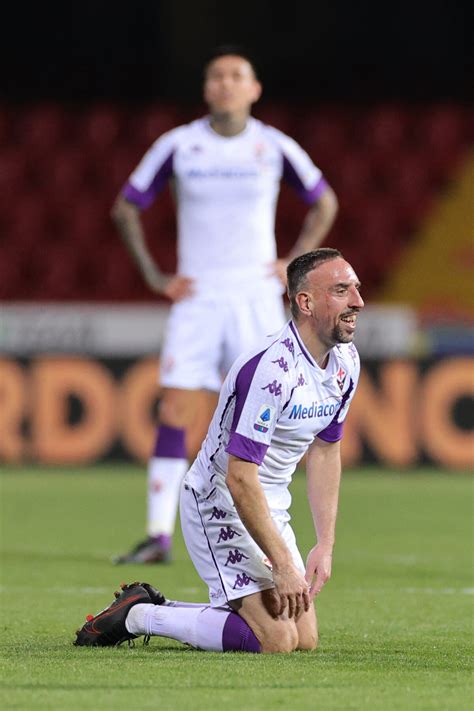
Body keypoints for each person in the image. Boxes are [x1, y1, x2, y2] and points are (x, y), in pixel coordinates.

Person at [111, 45, 339, 564]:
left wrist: (295, 260)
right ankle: (158, 534)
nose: (226, 83)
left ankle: (266, 521)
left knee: (267, 410)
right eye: (217, 75)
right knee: (175, 407)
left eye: (237, 75)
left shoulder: (274, 146)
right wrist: (153, 275)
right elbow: (125, 208)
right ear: (206, 88)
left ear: (254, 89)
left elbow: (325, 200)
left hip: (256, 296)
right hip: (198, 297)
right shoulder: (179, 144)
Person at [74, 248, 364, 654]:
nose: (357, 301)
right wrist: (282, 563)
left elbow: (325, 451)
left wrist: (325, 544)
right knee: (276, 640)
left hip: (269, 506)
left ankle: (160, 607)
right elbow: (239, 475)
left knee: (306, 641)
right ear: (305, 301)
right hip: (220, 501)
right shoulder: (271, 371)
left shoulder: (345, 363)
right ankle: (138, 615)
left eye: (355, 288)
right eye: (341, 290)